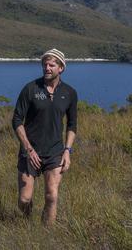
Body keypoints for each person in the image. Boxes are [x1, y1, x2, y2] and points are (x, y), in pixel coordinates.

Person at [12, 48, 77, 225]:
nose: (47, 68)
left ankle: (47, 235)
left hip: (55, 152)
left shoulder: (69, 93)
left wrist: (67, 151)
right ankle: (27, 221)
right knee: (24, 200)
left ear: (61, 68)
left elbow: (72, 125)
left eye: (51, 65)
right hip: (30, 151)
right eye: (44, 64)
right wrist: (28, 148)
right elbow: (17, 120)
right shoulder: (30, 89)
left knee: (52, 196)